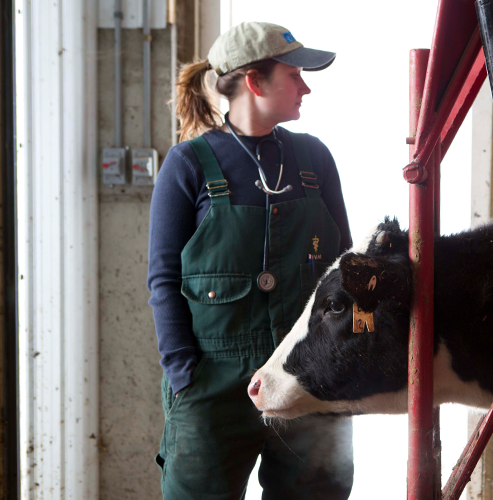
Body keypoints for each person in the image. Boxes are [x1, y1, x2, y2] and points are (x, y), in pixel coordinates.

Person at [147, 22, 354, 500]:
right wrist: (184, 374)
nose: (306, 86)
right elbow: (163, 279)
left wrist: (342, 363)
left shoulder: (314, 159)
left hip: (309, 376)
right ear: (255, 82)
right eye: (295, 74)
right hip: (213, 387)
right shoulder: (189, 164)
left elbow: (342, 270)